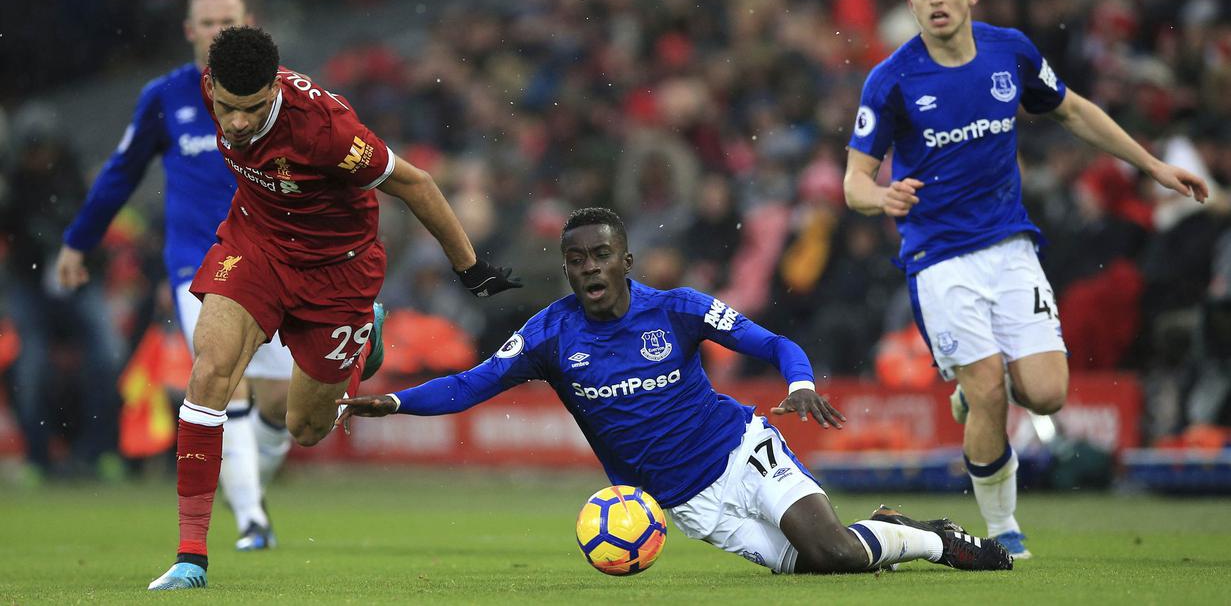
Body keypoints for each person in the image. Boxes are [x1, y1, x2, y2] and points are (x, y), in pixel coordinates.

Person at [337, 207, 1013, 575]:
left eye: (600, 256)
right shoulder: (549, 334)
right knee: (825, 565)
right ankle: (889, 528)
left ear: (624, 260)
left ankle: (934, 539)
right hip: (687, 505)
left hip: (740, 451)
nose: (588, 269)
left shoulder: (679, 309)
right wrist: (394, 402)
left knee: (831, 550)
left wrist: (800, 381)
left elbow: (773, 344)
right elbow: (471, 384)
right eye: (575, 261)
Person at [842, 0, 1209, 559]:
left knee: (1046, 393)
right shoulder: (892, 80)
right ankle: (1004, 529)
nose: (937, 0)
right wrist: (882, 199)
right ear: (910, 2)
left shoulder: (1009, 52)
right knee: (989, 391)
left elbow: (1073, 112)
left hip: (1011, 247)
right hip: (940, 258)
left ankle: (972, 389)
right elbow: (853, 181)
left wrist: (1151, 164)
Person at [146, 25, 521, 590]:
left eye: (251, 109)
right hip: (257, 246)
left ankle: (365, 334)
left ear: (274, 88)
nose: (237, 122)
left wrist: (470, 268)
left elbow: (416, 184)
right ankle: (190, 558)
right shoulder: (212, 88)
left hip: (338, 273)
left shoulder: (326, 129)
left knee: (307, 427)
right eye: (227, 107)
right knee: (210, 371)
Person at [57, 0, 291, 552]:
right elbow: (120, 172)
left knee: (283, 405)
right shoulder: (165, 98)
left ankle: (249, 486)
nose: (216, 31)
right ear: (190, 30)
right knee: (220, 379)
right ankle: (251, 520)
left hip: (275, 262)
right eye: (206, 22)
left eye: (226, 21)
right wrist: (78, 241)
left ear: (247, 25)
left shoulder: (279, 96)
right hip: (200, 265)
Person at [1, 122, 124, 483]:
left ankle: (99, 451)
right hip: (31, 285)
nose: (37, 160)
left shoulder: (74, 177)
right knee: (30, 368)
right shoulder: (14, 183)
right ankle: (39, 457)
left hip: (81, 279)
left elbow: (98, 225)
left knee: (108, 357)